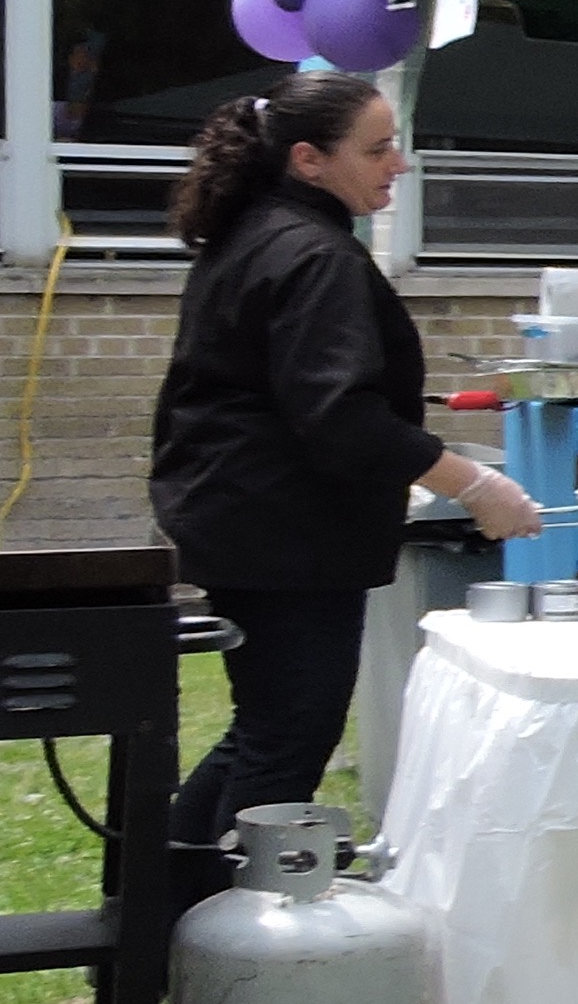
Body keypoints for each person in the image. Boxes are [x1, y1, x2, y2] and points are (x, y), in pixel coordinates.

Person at [149, 75, 540, 872]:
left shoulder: (258, 233)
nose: (399, 164)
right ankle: (233, 927)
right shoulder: (313, 254)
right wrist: (477, 485)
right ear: (309, 159)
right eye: (377, 148)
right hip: (282, 536)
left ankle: (157, 910)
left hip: (241, 520)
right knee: (287, 738)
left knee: (262, 728)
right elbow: (340, 415)